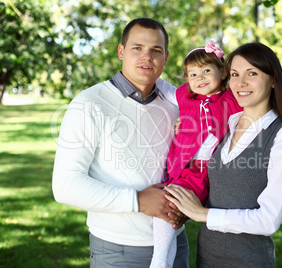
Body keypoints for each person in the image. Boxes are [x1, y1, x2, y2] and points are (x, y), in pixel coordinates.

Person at [52, 18, 189, 268]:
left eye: (156, 50)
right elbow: (65, 185)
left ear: (166, 57)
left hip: (175, 244)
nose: (147, 57)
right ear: (121, 51)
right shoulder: (89, 104)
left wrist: (188, 204)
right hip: (118, 250)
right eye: (137, 48)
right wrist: (137, 200)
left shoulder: (176, 105)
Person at [164, 42, 282, 268]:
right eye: (235, 74)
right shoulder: (228, 123)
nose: (241, 83)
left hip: (248, 260)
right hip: (206, 257)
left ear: (273, 79)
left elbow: (268, 220)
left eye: (251, 73)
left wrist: (202, 214)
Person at [151, 41, 242, 267]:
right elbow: (160, 84)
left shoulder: (231, 99)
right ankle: (163, 262)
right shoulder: (185, 97)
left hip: (206, 170)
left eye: (206, 71)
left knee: (168, 205)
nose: (199, 78)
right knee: (169, 213)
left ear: (222, 72)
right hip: (182, 166)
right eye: (192, 74)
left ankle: (159, 262)